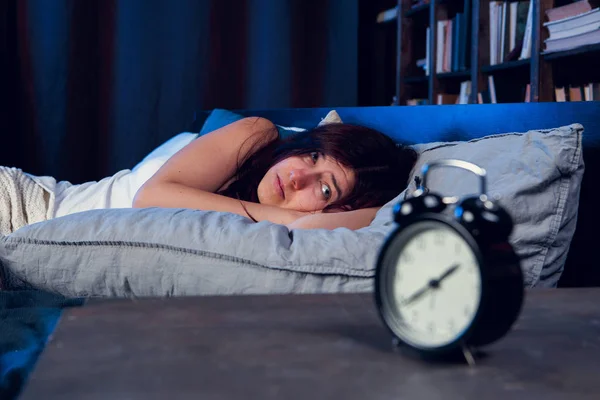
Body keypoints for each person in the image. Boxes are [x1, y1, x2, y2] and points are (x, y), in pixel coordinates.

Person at [133, 117, 418, 230]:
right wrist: (287, 216)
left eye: (325, 189)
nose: (298, 176)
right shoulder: (256, 133)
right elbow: (148, 198)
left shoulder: (299, 225)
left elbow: (306, 229)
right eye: (314, 156)